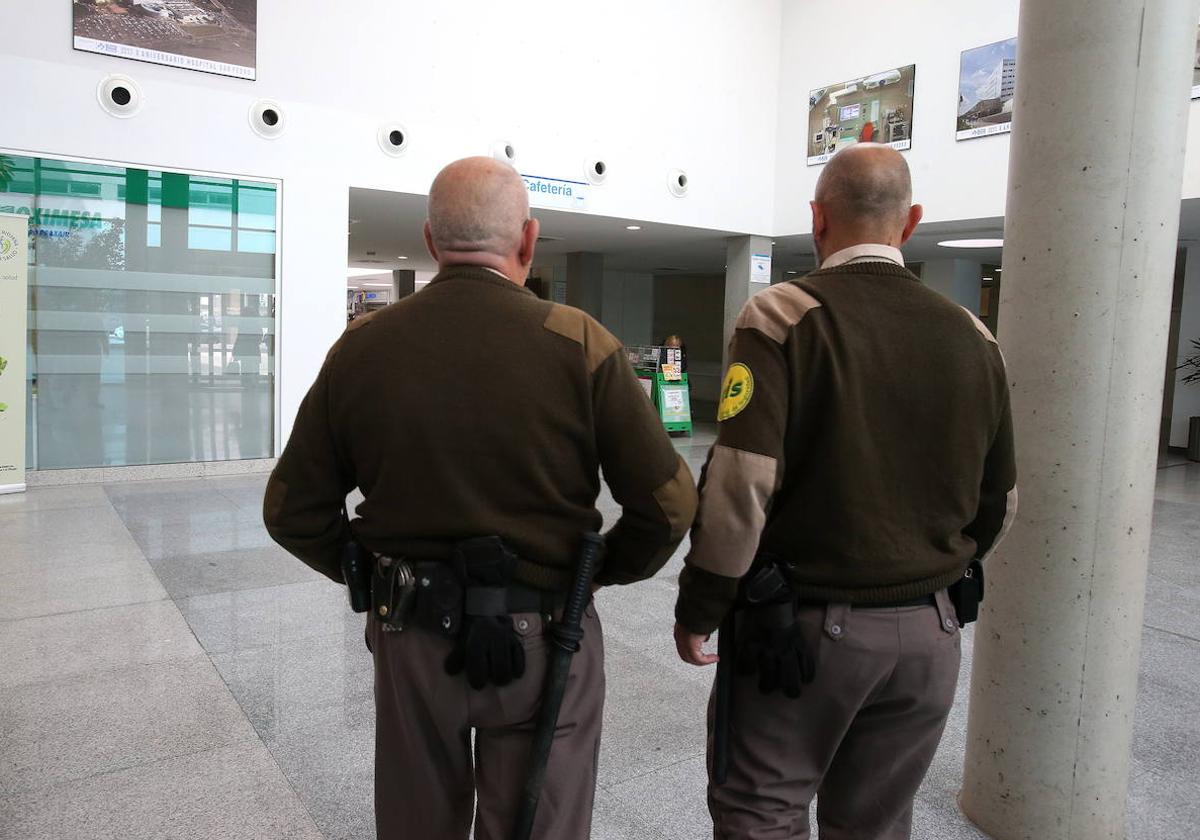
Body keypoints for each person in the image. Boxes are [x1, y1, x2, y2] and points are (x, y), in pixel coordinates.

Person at [264, 156, 698, 840]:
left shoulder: (364, 347)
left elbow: (292, 509)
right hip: (549, 634)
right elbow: (669, 505)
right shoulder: (579, 343)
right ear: (527, 240)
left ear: (432, 242)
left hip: (411, 633)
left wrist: (366, 570)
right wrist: (596, 571)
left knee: (417, 822)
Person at [672, 144, 1017, 839]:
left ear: (817, 218)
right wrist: (934, 571)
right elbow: (1001, 498)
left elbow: (742, 484)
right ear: (911, 222)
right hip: (932, 635)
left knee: (761, 811)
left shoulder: (781, 316)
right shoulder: (972, 334)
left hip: (802, 636)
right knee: (876, 823)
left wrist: (702, 604)